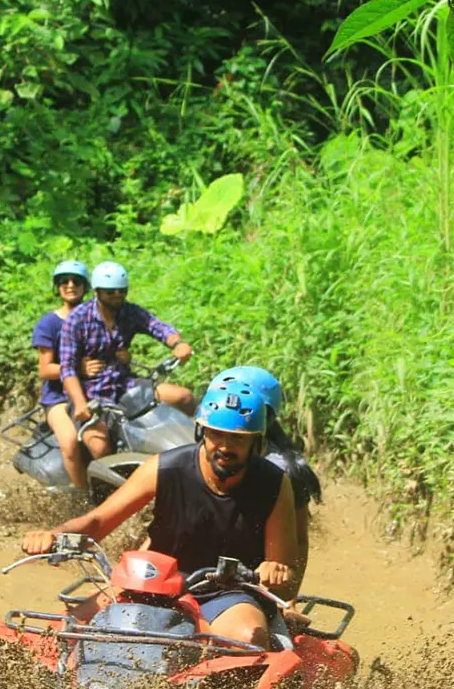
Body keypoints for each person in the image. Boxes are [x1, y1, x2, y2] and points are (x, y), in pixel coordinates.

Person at [21, 384, 298, 649]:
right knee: (65, 630)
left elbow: (282, 568)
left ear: (256, 442)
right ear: (202, 432)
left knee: (250, 637)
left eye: (237, 438)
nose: (224, 446)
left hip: (227, 593)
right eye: (216, 434)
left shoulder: (273, 483)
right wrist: (54, 535)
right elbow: (98, 521)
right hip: (151, 584)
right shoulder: (165, 467)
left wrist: (275, 571)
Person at [59, 261, 195, 460]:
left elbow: (157, 326)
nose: (116, 296)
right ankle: (106, 490)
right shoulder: (78, 320)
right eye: (110, 292)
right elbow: (68, 368)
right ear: (97, 292)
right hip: (91, 393)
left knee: (183, 397)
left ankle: (198, 450)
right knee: (99, 446)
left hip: (125, 383)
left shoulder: (129, 311)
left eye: (121, 291)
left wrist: (178, 344)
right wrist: (79, 403)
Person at [209, 366, 321, 578]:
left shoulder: (282, 471)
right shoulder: (208, 454)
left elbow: (298, 541)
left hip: (256, 574)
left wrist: (288, 595)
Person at [31, 261, 97, 487]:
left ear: (85, 286)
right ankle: (82, 496)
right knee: (69, 442)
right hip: (58, 397)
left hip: (94, 390)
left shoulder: (95, 317)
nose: (70, 286)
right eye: (64, 281)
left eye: (76, 281)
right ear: (57, 287)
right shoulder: (48, 324)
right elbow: (45, 369)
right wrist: (77, 369)